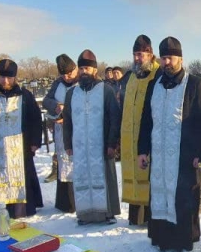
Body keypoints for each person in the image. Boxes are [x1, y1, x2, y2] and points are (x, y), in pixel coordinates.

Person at [138, 37, 201, 252]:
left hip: (184, 154)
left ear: (180, 58)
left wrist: (200, 153)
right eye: (163, 58)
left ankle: (184, 241)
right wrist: (142, 150)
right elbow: (146, 120)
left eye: (170, 58)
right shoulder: (154, 85)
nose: (166, 63)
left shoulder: (194, 84)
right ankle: (162, 237)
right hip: (159, 154)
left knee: (183, 197)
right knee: (160, 194)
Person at [0, 59, 43, 218]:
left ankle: (22, 209)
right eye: (3, 77)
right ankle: (3, 208)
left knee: (22, 175)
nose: (6, 81)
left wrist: (34, 141)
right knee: (0, 176)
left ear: (14, 78)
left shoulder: (24, 95)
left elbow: (35, 119)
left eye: (9, 78)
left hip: (21, 145)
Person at [63, 50, 121, 224]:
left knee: (104, 177)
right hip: (80, 146)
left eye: (87, 68)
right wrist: (68, 143)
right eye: (81, 69)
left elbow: (114, 118)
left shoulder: (106, 90)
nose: (84, 72)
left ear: (95, 70)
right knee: (82, 178)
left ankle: (107, 213)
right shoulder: (72, 94)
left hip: (101, 145)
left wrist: (112, 143)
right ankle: (84, 214)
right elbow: (67, 121)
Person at [121, 35, 160, 225]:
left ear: (150, 54)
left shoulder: (158, 75)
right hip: (130, 136)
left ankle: (149, 218)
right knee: (135, 175)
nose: (137, 58)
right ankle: (136, 218)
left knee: (149, 176)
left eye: (141, 54)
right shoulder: (131, 77)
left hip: (149, 134)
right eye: (135, 54)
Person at [41, 54, 78, 212]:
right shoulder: (58, 83)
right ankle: (65, 202)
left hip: (77, 131)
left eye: (70, 73)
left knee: (76, 164)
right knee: (64, 163)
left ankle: (78, 201)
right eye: (63, 74)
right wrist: (55, 106)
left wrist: (68, 115)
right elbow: (46, 100)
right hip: (60, 130)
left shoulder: (82, 83)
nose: (67, 77)